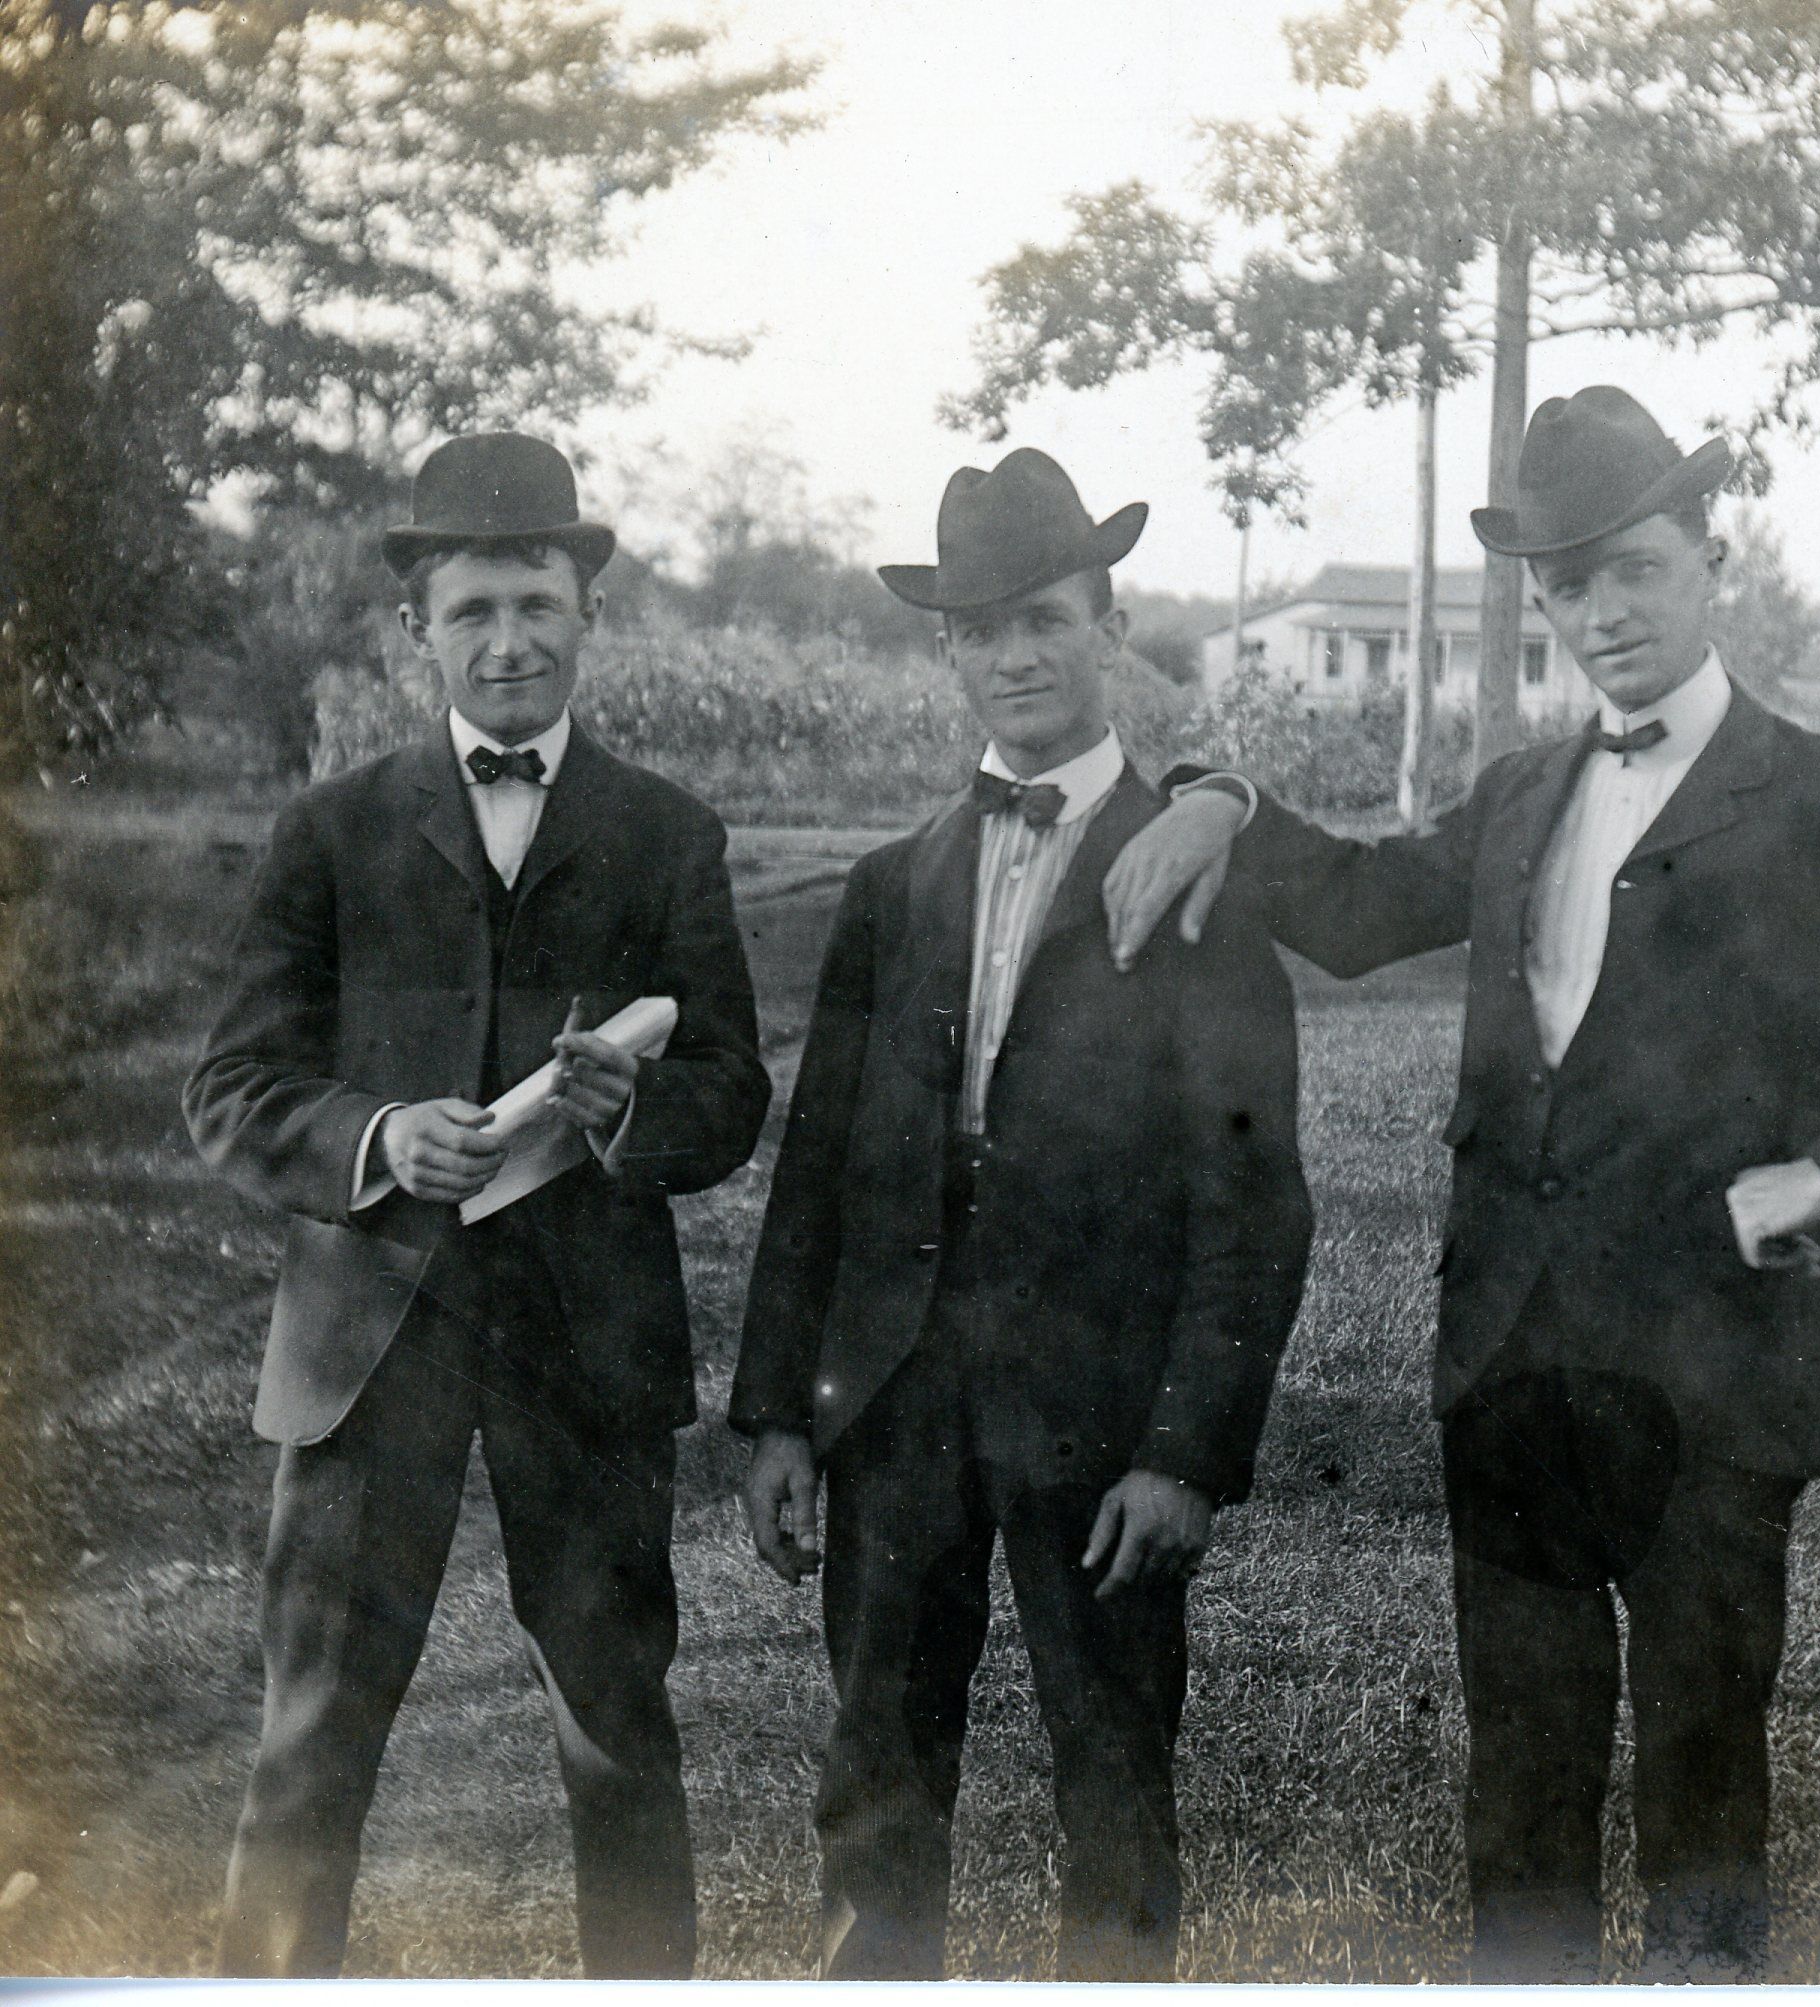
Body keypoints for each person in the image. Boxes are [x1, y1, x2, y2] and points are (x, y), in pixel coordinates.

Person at [1099, 386, 1820, 1980]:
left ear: (1712, 561)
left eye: (1635, 570)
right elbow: (1357, 907)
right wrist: (1218, 794)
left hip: (1715, 1382)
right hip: (1510, 1366)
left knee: (1702, 1800)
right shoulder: (1524, 795)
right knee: (1518, 1801)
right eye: (1567, 587)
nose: (1603, 615)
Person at [182, 432, 771, 1978]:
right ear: (416, 629)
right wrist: (379, 1136)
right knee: (315, 1727)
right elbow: (232, 1087)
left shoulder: (668, 834)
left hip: (587, 1346)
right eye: (472, 612)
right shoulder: (330, 832)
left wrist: (630, 1104)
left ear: (589, 612)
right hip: (374, 1344)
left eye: (537, 604)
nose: (508, 641)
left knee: (615, 1721)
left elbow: (730, 1092)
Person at [728, 447, 1313, 1981]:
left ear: (1108, 627)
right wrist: (780, 1413)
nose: (1017, 656)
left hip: (1100, 1410)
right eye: (982, 630)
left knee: (1113, 1776)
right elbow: (818, 1170)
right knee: (876, 1774)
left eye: (1047, 619)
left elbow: (1252, 1202)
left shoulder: (1191, 873)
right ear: (949, 652)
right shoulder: (892, 885)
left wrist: (1186, 1454)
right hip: (897, 1402)